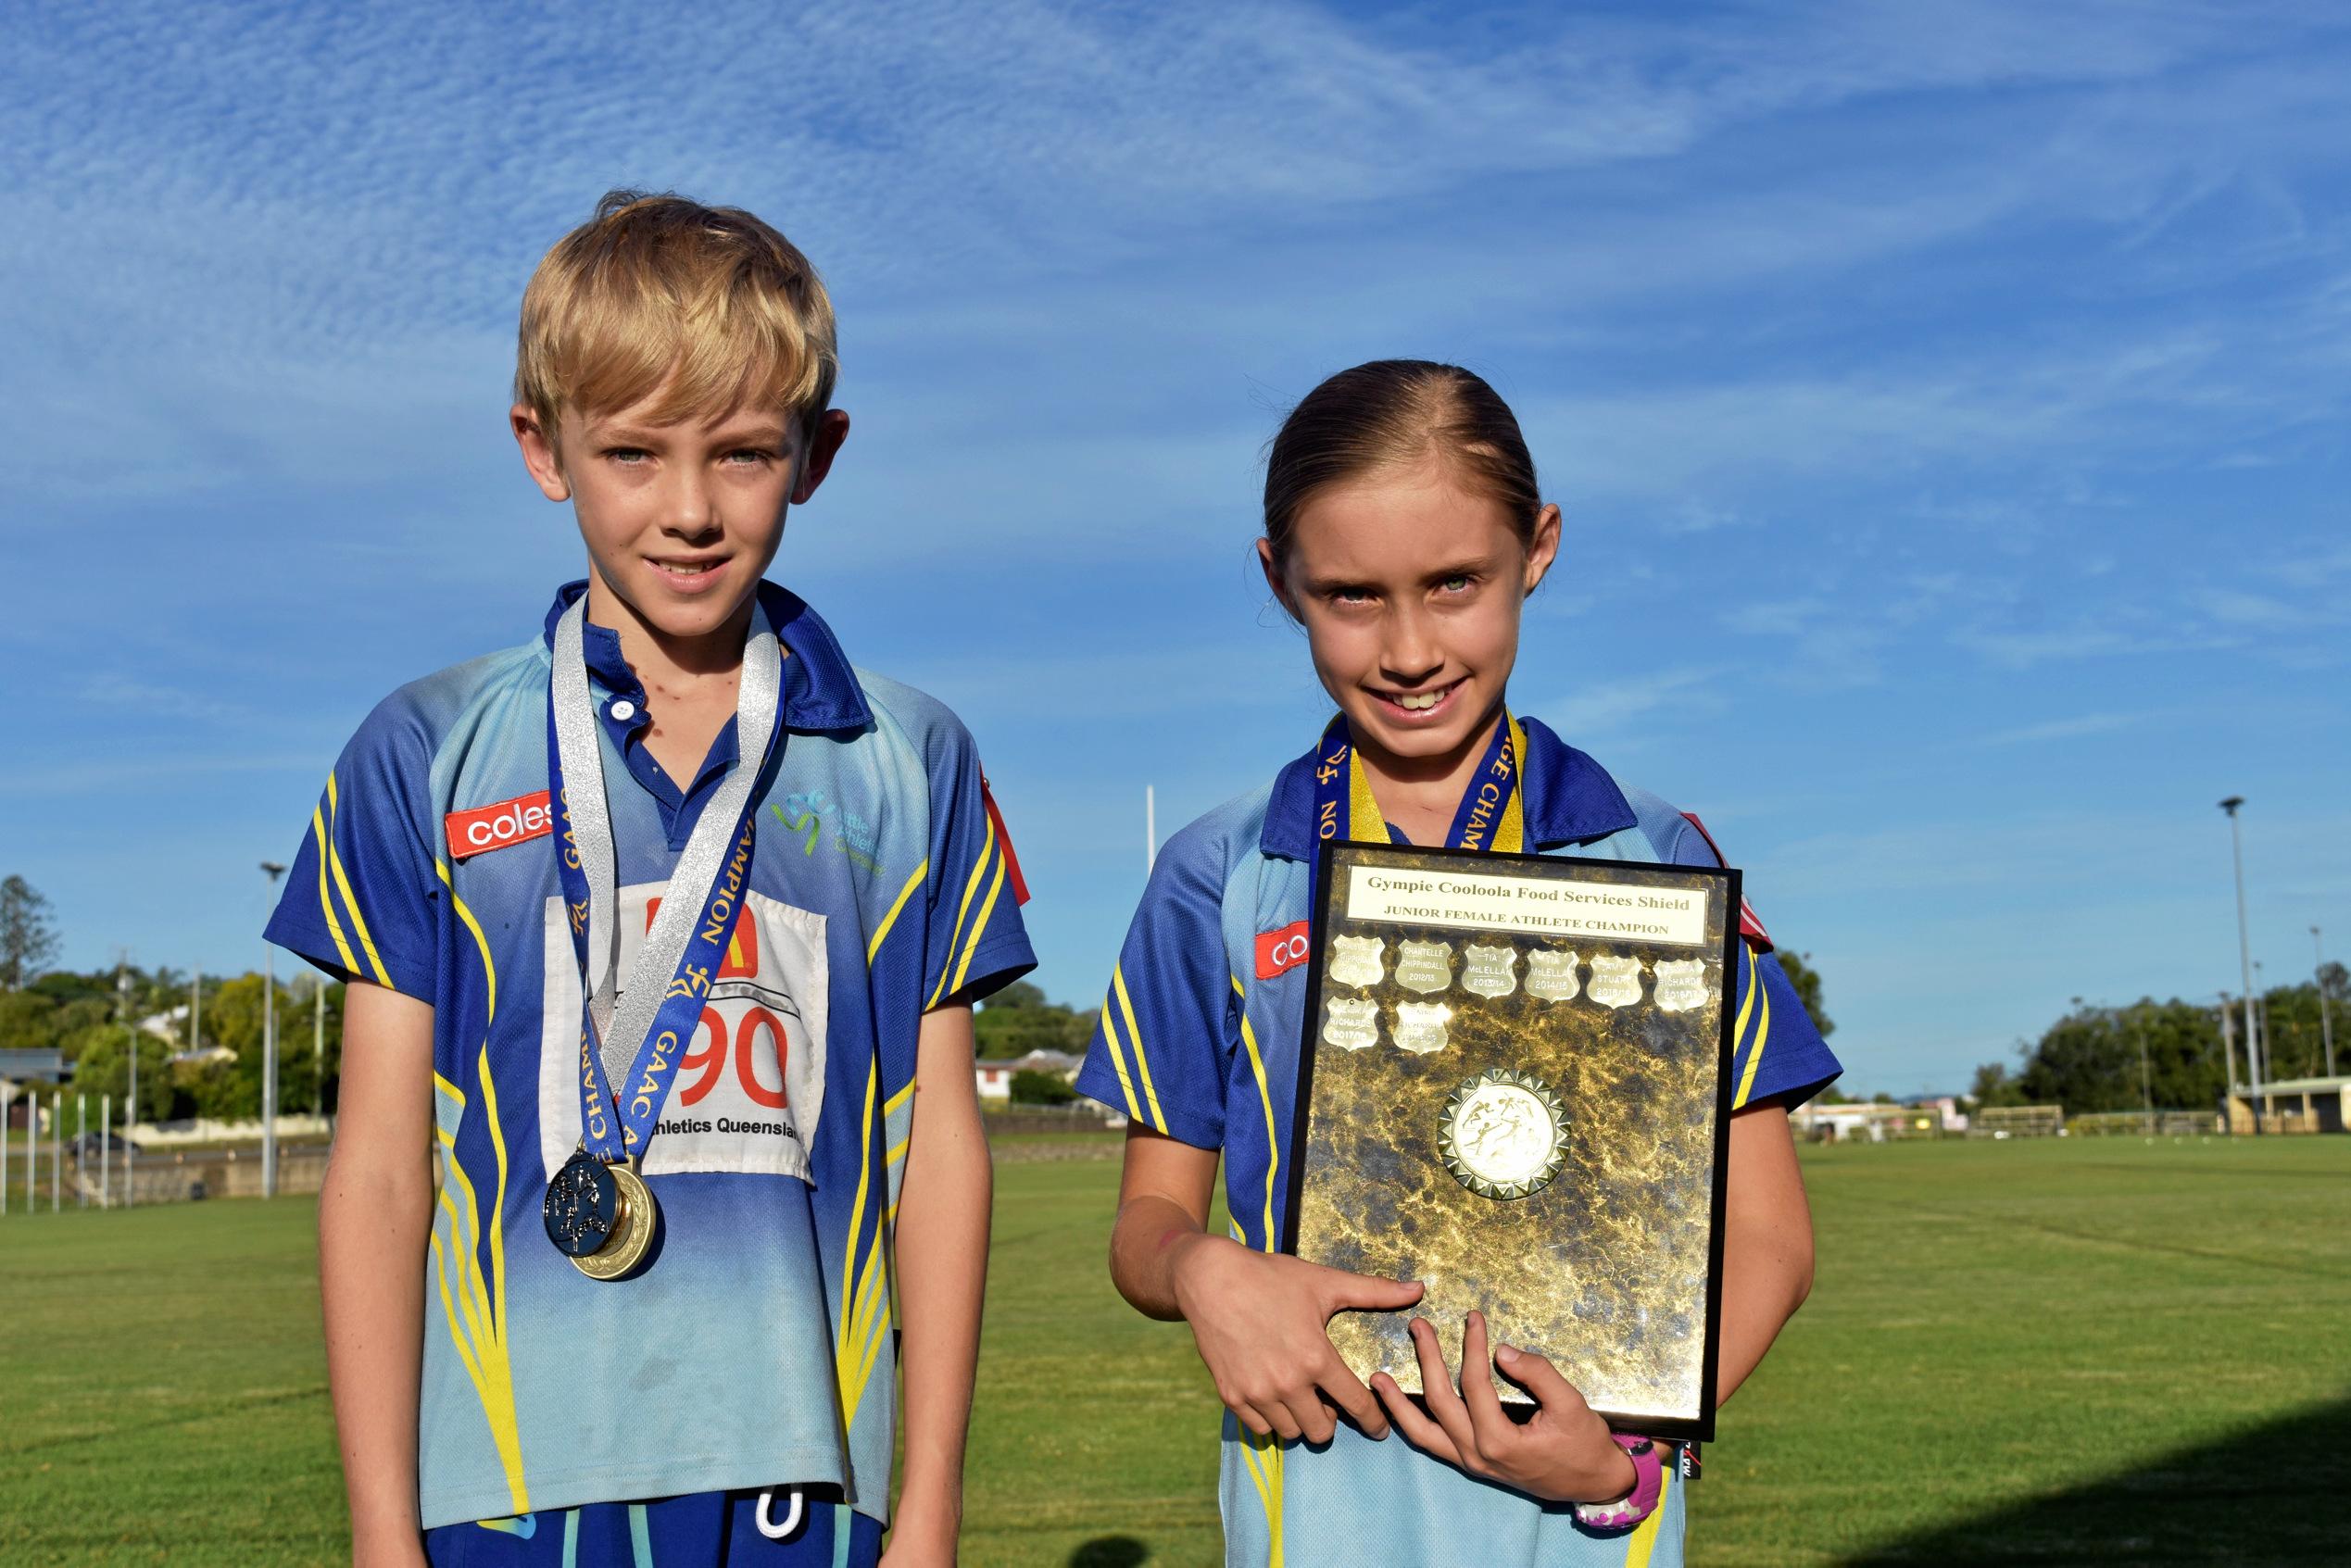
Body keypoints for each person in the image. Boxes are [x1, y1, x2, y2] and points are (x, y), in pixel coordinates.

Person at [266, 191, 1034, 1568]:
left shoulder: (910, 758)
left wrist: (927, 1511)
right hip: (501, 1486)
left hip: (814, 1480)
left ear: (818, 453)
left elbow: (942, 1159)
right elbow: (379, 1167)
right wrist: (383, 1535)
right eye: (631, 450)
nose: (688, 509)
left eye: (741, 453)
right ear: (542, 448)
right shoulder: (427, 748)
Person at [1076, 360, 1839, 1567]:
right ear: (1280, 582)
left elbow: (1771, 1239)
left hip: (1585, 1524)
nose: (1409, 646)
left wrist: (1624, 1460)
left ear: (1535, 549)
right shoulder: (1217, 872)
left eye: (1453, 583)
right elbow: (1146, 1218)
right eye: (1350, 595)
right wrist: (1197, 1270)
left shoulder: (1655, 853)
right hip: (1309, 1514)